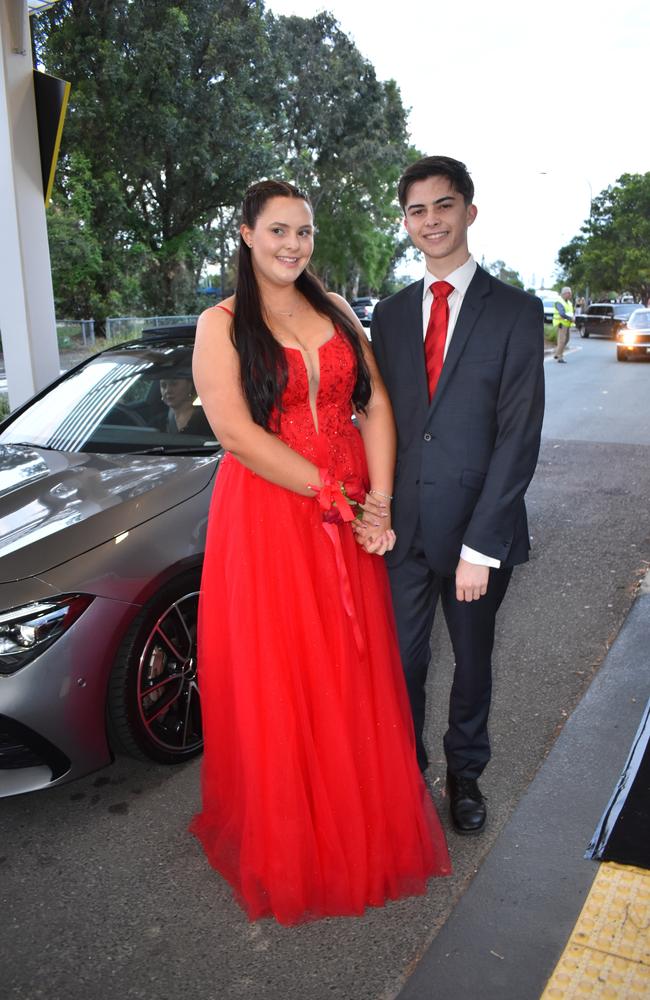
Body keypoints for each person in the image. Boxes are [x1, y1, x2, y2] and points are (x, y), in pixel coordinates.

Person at [189, 179, 450, 925]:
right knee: (284, 673)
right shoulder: (221, 323)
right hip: (273, 517)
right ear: (245, 233)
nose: (292, 245)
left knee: (349, 667)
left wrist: (380, 502)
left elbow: (373, 404)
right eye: (277, 230)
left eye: (303, 232)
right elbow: (236, 434)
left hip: (348, 513)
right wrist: (334, 496)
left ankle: (353, 815)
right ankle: (291, 835)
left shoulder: (334, 310)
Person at [368, 156, 545, 836]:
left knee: (472, 667)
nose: (431, 220)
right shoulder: (386, 315)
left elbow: (518, 435)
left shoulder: (517, 312)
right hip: (403, 533)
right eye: (417, 210)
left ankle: (464, 778)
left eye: (443, 206)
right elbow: (379, 419)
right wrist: (373, 505)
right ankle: (405, 778)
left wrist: (481, 545)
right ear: (406, 223)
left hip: (478, 535)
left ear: (469, 211)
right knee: (401, 667)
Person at [552, 286, 574, 362]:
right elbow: (562, 313)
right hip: (561, 323)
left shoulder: (569, 302)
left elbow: (569, 312)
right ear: (564, 293)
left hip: (567, 323)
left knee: (566, 339)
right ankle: (559, 357)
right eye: (569, 293)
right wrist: (570, 318)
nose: (570, 295)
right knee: (562, 341)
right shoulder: (559, 302)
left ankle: (556, 353)